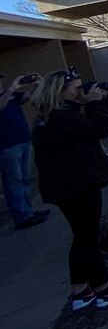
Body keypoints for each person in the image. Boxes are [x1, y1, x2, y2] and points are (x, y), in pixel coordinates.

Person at [30, 71, 108, 310]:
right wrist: (95, 103)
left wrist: (85, 103)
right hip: (77, 186)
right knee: (87, 238)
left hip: (67, 186)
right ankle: (105, 288)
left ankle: (81, 290)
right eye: (76, 89)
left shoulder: (49, 117)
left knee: (81, 235)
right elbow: (99, 129)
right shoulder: (60, 117)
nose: (81, 93)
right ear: (59, 92)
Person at [1, 73, 51, 229]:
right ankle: (22, 216)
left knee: (25, 178)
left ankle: (28, 211)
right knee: (14, 181)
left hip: (23, 141)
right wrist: (12, 89)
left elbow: (30, 96)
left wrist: (38, 83)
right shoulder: (6, 97)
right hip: (7, 146)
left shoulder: (11, 97)